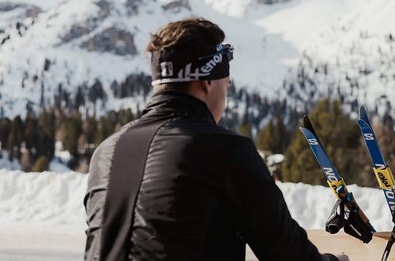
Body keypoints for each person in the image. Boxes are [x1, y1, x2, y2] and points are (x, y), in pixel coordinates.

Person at [84, 17, 341, 261]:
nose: (225, 95)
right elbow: (287, 252)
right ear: (207, 82)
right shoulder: (225, 151)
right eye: (226, 85)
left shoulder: (106, 152)